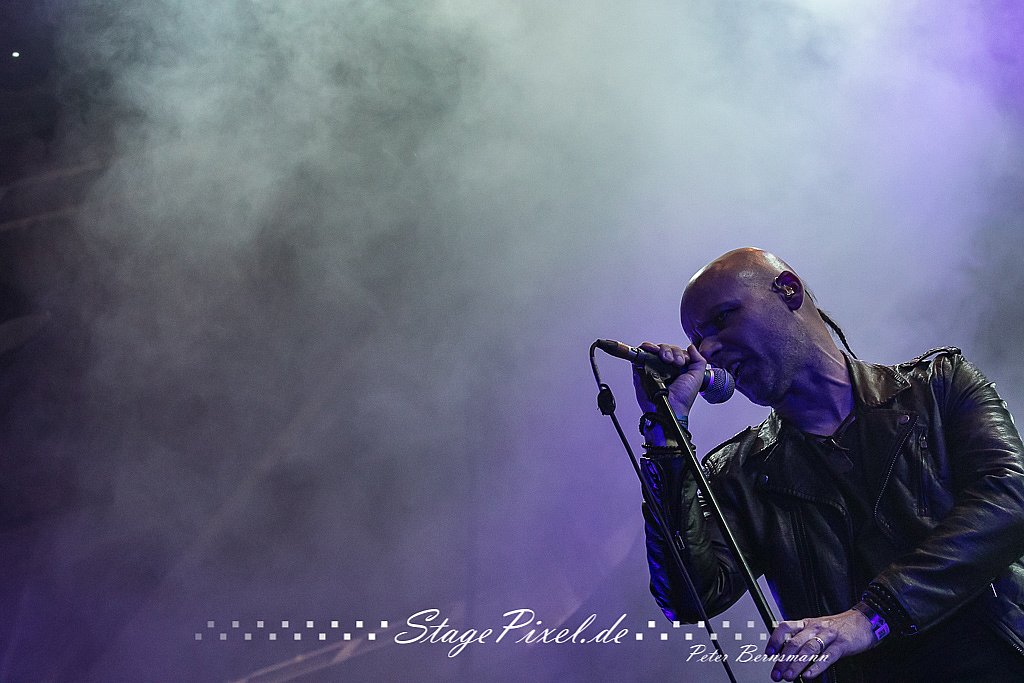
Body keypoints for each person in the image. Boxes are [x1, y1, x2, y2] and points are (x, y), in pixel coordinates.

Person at [634, 247, 1024, 682]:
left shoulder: (938, 386)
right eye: (697, 338)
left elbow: (1012, 498)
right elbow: (690, 597)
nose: (707, 349)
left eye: (723, 318)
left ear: (788, 290)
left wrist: (872, 617)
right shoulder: (738, 474)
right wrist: (666, 438)